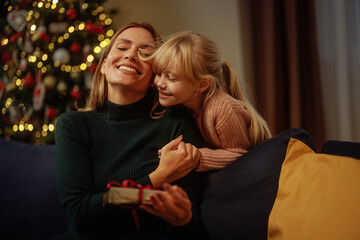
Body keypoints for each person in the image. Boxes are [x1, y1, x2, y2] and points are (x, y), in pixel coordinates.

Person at [54, 23, 209, 239]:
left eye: (145, 53)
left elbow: (192, 228)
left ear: (155, 76)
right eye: (122, 48)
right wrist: (157, 177)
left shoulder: (176, 125)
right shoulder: (73, 125)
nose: (130, 56)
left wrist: (183, 219)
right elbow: (80, 213)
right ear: (104, 65)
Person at [146, 31, 272, 172]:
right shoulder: (182, 100)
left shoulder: (222, 109)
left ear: (202, 84)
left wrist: (194, 156)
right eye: (158, 73)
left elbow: (239, 154)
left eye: (171, 78)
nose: (159, 83)